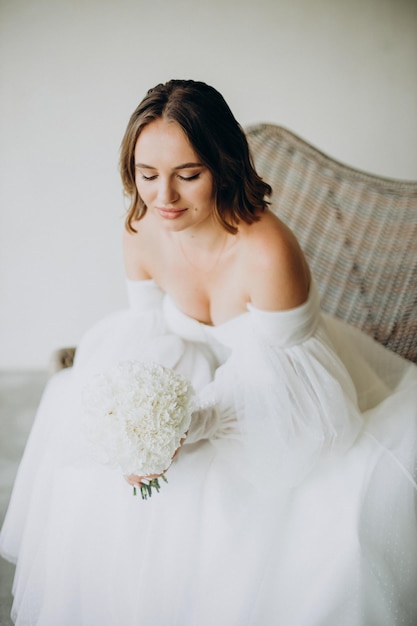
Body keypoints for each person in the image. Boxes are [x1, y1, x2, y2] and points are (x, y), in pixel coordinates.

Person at [1, 79, 416, 626]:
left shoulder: (267, 251)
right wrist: (144, 424)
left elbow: (295, 395)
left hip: (286, 398)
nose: (163, 198)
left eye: (188, 176)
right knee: (95, 475)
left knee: (244, 506)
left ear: (224, 167)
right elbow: (147, 336)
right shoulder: (141, 230)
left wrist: (190, 424)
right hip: (193, 374)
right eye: (147, 176)